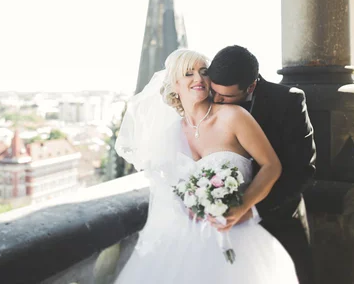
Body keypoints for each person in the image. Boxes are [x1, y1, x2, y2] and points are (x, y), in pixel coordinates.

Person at [114, 49, 299, 283]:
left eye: (203, 72)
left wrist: (242, 206)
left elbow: (271, 166)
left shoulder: (233, 116)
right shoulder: (169, 135)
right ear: (175, 84)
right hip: (183, 242)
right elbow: (166, 192)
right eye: (189, 73)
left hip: (237, 237)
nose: (199, 79)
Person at [208, 45, 316, 284]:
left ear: (251, 86)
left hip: (279, 219)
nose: (216, 100)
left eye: (225, 96)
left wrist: (252, 209)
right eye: (214, 92)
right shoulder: (207, 99)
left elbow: (301, 171)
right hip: (220, 229)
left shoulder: (289, 101)